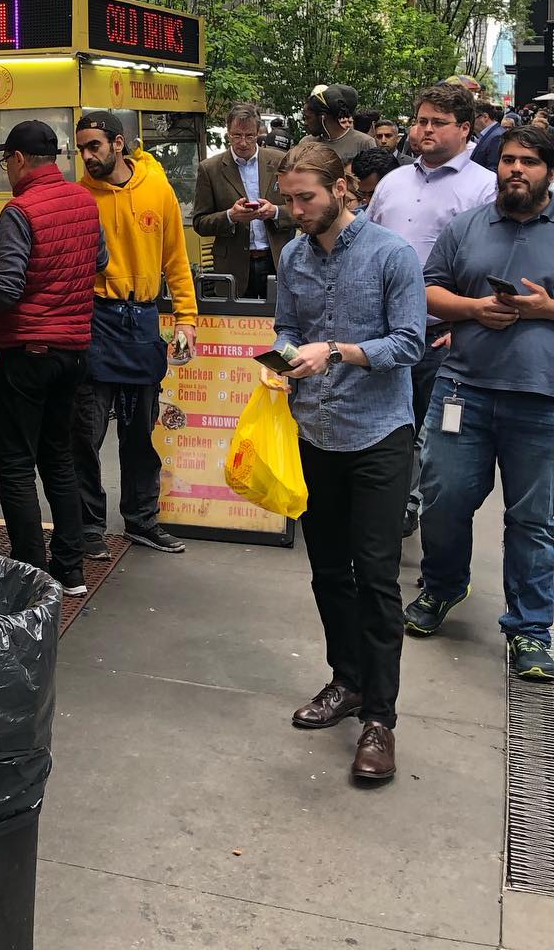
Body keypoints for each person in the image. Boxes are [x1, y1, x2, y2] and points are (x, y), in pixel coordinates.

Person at [273, 142, 426, 782]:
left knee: (378, 578)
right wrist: (283, 361)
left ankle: (381, 721)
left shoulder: (391, 255)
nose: (295, 209)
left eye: (305, 197)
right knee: (329, 571)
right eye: (287, 198)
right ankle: (347, 681)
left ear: (342, 188)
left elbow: (409, 341)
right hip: (316, 433)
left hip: (379, 436)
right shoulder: (291, 255)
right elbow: (285, 327)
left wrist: (333, 350)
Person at [404, 125, 554, 681]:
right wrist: (471, 309)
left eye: (530, 162)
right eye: (509, 160)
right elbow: (427, 289)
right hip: (462, 390)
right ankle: (443, 587)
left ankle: (531, 629)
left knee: (533, 519)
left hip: (541, 399)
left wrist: (544, 310)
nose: (516, 169)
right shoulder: (467, 226)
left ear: (549, 172)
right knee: (443, 501)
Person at [0, 121, 105, 593]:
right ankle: (72, 569)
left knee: (15, 462)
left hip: (29, 351)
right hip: (74, 350)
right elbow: (99, 262)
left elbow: (7, 285)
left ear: (19, 159)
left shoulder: (20, 211)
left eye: (6, 161)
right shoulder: (85, 202)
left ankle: (30, 571)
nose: (6, 169)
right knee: (58, 456)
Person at [366, 83, 496, 534]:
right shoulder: (392, 182)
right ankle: (386, 501)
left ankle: (414, 505)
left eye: (437, 123)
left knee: (432, 433)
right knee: (385, 427)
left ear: (464, 128)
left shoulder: (485, 188)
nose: (425, 130)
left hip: (442, 334)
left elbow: (487, 267)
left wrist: (466, 323)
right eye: (420, 120)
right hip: (381, 332)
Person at [73, 111, 197, 556]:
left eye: (94, 147)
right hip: (95, 319)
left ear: (119, 144)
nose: (86, 156)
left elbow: (177, 261)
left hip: (143, 320)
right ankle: (88, 528)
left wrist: (186, 319)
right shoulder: (79, 197)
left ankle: (142, 521)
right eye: (81, 148)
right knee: (85, 433)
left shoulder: (157, 189)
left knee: (140, 433)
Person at [193, 102, 293, 298]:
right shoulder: (210, 169)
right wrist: (231, 216)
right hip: (233, 266)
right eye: (236, 136)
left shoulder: (280, 161)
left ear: (259, 133)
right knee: (234, 325)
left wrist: (275, 212)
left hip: (275, 260)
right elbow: (200, 222)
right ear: (227, 132)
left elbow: (301, 210)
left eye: (250, 136)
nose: (243, 143)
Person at [298, 84, 377, 162]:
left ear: (323, 117)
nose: (305, 123)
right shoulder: (306, 143)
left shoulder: (364, 143)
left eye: (307, 118)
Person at [469, 98, 505, 172]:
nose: (469, 123)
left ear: (485, 117)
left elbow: (493, 169)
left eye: (472, 119)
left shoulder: (496, 137)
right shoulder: (491, 134)